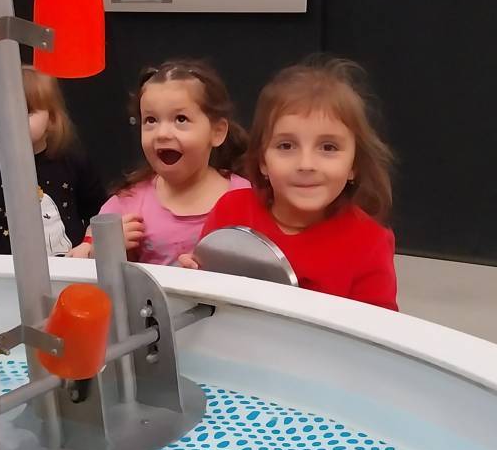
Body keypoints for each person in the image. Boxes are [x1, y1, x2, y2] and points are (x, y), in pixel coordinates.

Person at [185, 58, 398, 311]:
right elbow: (206, 301)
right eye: (286, 146)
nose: (306, 164)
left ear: (354, 165)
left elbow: (376, 328)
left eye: (328, 147)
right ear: (263, 161)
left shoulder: (370, 243)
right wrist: (191, 280)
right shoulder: (231, 211)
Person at [69, 60, 248, 265]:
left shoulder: (247, 198)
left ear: (217, 132)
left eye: (181, 119)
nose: (162, 133)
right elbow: (82, 260)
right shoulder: (127, 204)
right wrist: (103, 249)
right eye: (151, 120)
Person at [0, 67, 104, 257]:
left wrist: (88, 245)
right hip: (8, 272)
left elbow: (100, 214)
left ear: (52, 118)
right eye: (7, 111)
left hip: (70, 267)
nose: (15, 119)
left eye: (27, 111)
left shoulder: (74, 162)